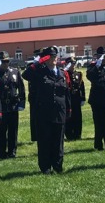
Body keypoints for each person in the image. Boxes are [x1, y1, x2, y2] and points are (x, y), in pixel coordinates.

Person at [22, 46, 71, 174]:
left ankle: (58, 166)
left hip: (59, 111)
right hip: (43, 112)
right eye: (50, 56)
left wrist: (69, 109)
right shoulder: (39, 72)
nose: (54, 59)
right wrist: (38, 62)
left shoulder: (62, 73)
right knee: (44, 140)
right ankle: (45, 167)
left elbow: (66, 93)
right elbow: (25, 75)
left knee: (58, 141)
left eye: (55, 56)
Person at [0, 51, 25, 159]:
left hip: (13, 106)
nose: (5, 64)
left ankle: (12, 152)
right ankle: (2, 152)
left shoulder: (14, 72)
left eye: (7, 61)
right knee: (1, 131)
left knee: (13, 131)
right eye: (3, 62)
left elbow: (21, 87)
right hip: (1, 107)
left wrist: (22, 102)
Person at [86, 47, 105, 150]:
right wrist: (98, 65)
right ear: (98, 57)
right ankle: (98, 145)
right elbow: (90, 76)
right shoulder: (93, 66)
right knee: (99, 123)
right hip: (97, 98)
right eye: (104, 57)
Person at [63, 57, 85, 141]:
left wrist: (82, 98)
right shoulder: (64, 74)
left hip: (76, 98)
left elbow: (81, 87)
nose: (73, 65)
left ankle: (77, 134)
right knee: (69, 117)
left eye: (74, 63)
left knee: (77, 117)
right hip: (68, 98)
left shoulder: (78, 74)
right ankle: (69, 134)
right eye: (71, 63)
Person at [26, 48, 42, 142]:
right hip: (33, 94)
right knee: (33, 116)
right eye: (37, 55)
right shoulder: (31, 65)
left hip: (41, 93)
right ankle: (34, 136)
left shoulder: (43, 65)